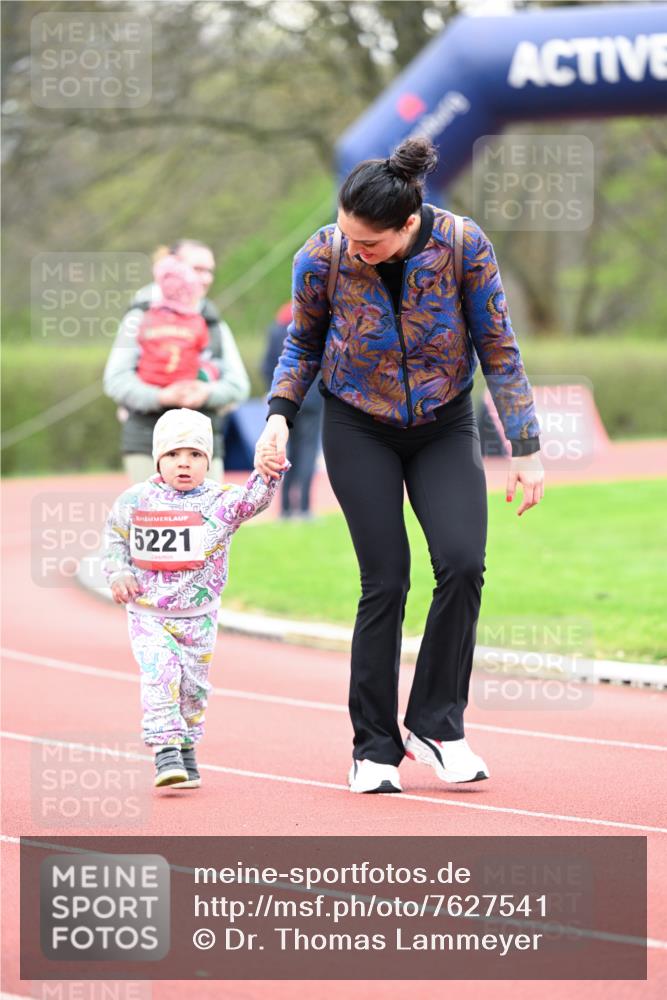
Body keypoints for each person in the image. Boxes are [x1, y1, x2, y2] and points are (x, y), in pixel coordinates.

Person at [255, 137, 545, 795]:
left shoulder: (463, 245)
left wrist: (525, 446)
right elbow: (301, 344)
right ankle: (373, 748)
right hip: (358, 424)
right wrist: (278, 414)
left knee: (462, 564)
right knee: (385, 580)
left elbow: (498, 346)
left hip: (444, 423)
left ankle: (437, 726)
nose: (355, 249)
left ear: (408, 223)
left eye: (370, 242)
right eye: (348, 235)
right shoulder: (321, 256)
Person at [103, 407, 287, 789]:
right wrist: (118, 572)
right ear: (158, 458)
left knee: (193, 689)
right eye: (173, 454)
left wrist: (268, 471)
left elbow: (255, 500)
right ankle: (165, 750)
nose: (183, 463)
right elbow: (115, 538)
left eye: (194, 455)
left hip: (199, 615)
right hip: (149, 613)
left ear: (209, 460)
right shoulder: (136, 499)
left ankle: (186, 746)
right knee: (161, 674)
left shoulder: (221, 500)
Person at [104, 239, 250, 483]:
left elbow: (239, 385)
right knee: (152, 510)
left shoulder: (213, 322)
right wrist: (161, 397)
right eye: (197, 269)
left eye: (209, 271)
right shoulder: (139, 316)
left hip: (203, 445)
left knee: (208, 510)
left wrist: (205, 393)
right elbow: (116, 380)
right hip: (146, 441)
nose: (205, 278)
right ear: (170, 268)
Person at [262, 302, 323, 519]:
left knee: (284, 451)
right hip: (313, 398)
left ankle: (285, 508)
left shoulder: (276, 328)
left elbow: (267, 366)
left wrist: (274, 393)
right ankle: (304, 507)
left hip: (285, 400)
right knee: (308, 451)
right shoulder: (316, 322)